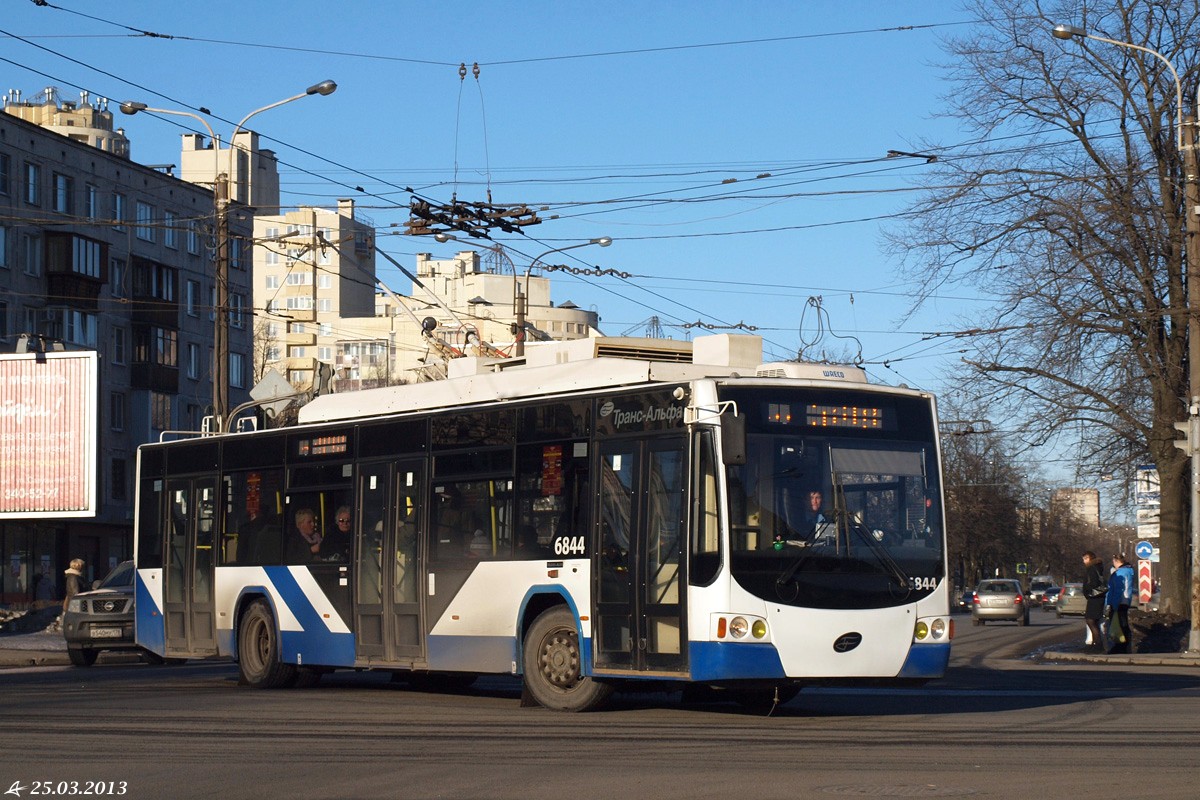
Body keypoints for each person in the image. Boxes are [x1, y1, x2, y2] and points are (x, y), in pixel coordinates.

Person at [1105, 553, 1135, 654]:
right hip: (1125, 600)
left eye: (1113, 562)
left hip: (1119, 601)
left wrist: (1113, 604)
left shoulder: (1121, 572)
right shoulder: (1128, 571)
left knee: (1120, 624)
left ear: (1117, 561)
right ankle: (1124, 646)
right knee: (1122, 623)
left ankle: (1121, 646)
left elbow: (1118, 589)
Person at [1081, 550, 1107, 651]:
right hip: (1097, 598)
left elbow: (1093, 583)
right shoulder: (1097, 567)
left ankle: (1098, 645)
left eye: (1086, 558)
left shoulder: (1092, 568)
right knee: (1093, 621)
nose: (1084, 561)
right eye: (1083, 559)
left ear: (1091, 558)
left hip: (1095, 598)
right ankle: (1095, 643)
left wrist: (1087, 590)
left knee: (1090, 620)